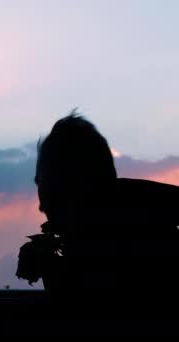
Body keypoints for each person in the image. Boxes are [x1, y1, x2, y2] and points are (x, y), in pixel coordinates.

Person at [17, 112, 179, 325]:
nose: (41, 206)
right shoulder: (150, 225)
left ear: (72, 186)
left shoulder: (121, 257)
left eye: (45, 186)